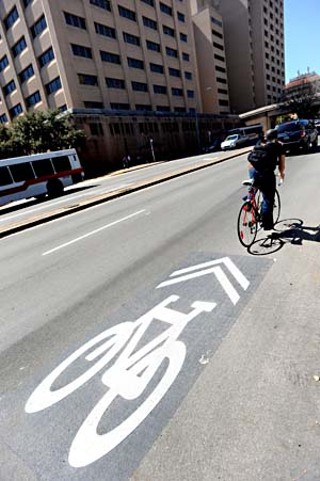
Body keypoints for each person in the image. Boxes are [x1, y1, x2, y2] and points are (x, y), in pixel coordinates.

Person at [247, 128, 286, 231]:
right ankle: (267, 225)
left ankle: (249, 200)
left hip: (253, 170)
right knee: (268, 199)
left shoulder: (259, 143)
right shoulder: (278, 146)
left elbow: (251, 161)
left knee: (255, 184)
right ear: (276, 138)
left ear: (266, 137)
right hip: (266, 173)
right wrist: (281, 175)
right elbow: (281, 164)